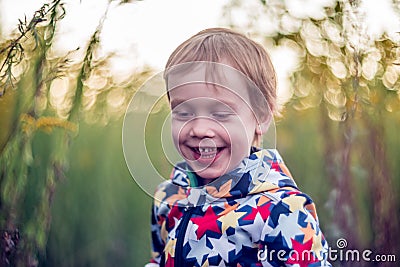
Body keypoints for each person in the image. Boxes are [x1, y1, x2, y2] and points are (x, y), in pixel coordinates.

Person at [146, 28, 331, 267]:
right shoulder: (169, 196)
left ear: (261, 116)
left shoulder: (280, 211)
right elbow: (161, 258)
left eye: (221, 113)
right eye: (184, 112)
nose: (200, 129)